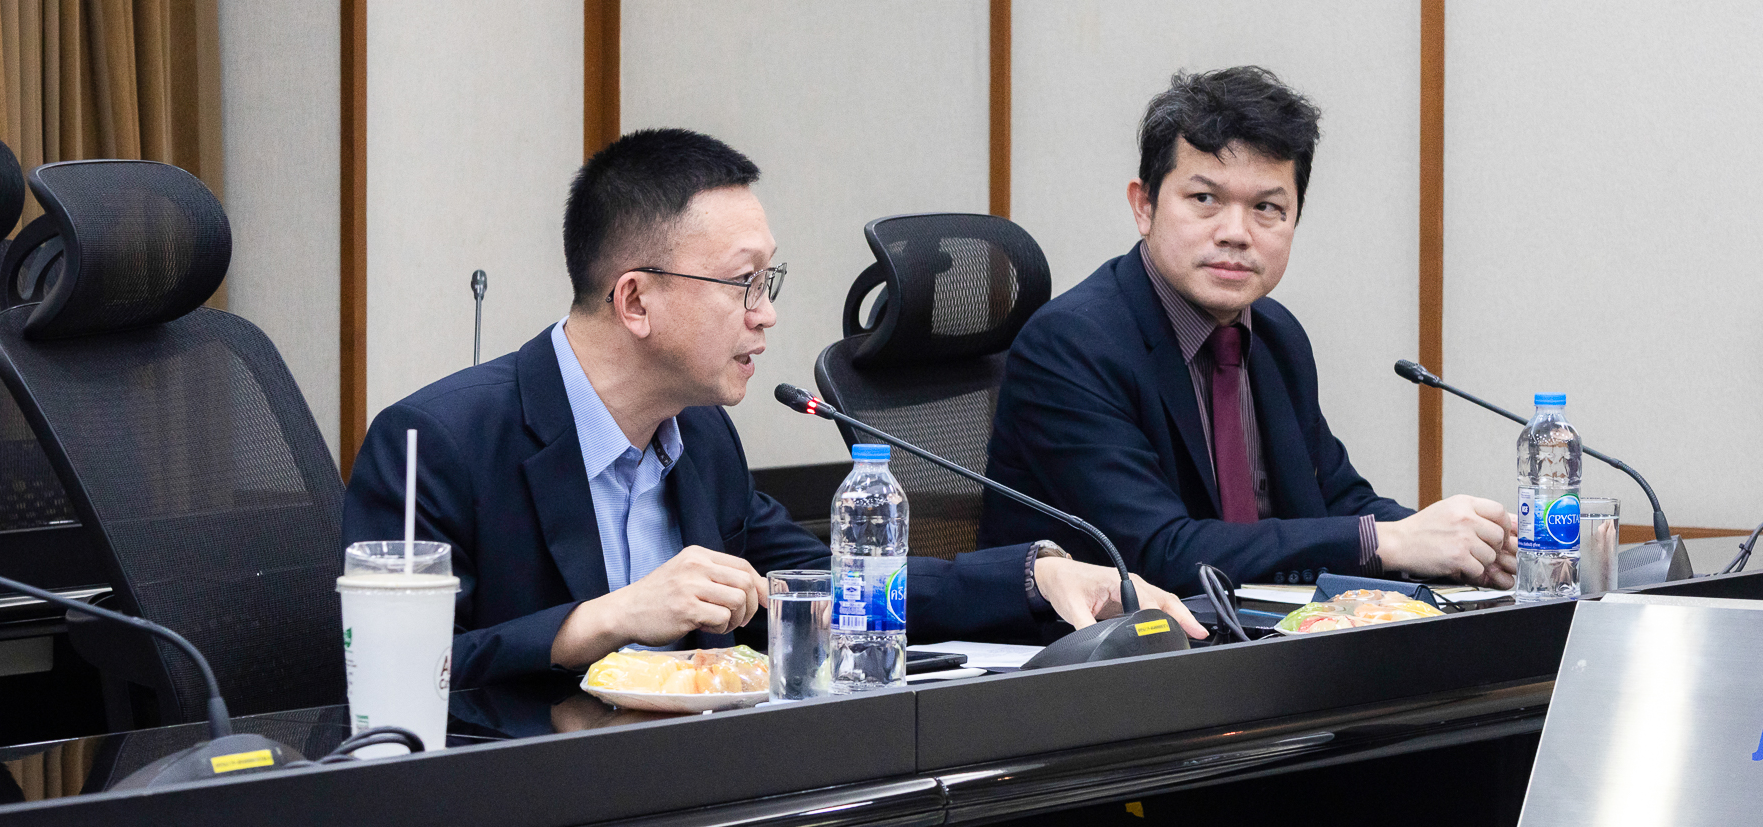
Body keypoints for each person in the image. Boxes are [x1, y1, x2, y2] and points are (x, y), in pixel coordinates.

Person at [344, 128, 1200, 688]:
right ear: (635, 299)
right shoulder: (439, 441)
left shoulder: (701, 438)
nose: (768, 313)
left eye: (769, 280)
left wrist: (1034, 575)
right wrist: (602, 620)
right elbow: (392, 677)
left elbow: (836, 587)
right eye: (743, 283)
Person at [978, 67, 1518, 597]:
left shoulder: (1276, 335)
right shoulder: (1071, 345)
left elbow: (1338, 502)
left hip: (1258, 639)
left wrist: (1469, 545)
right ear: (1144, 207)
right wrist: (1388, 542)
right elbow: (1157, 553)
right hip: (1098, 647)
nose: (1236, 233)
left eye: (1266, 208)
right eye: (1205, 200)